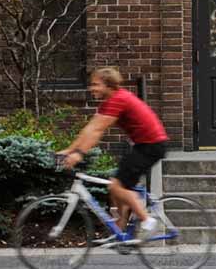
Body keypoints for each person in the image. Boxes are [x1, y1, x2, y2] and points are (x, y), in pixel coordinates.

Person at [57, 67, 168, 242]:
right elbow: (90, 128)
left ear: (109, 86)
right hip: (143, 145)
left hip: (151, 146)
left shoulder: (118, 99)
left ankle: (148, 220)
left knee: (117, 186)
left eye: (95, 85)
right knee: (115, 184)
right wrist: (71, 149)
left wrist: (78, 153)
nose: (91, 88)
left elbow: (97, 131)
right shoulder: (110, 101)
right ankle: (120, 230)